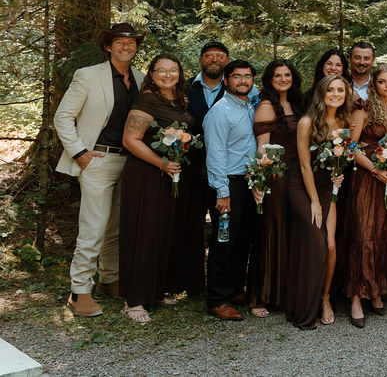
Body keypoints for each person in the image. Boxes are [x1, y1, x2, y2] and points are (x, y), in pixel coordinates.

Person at [54, 23, 144, 317]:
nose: (126, 46)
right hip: (98, 159)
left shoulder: (142, 79)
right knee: (93, 225)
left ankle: (109, 278)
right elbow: (63, 117)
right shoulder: (88, 76)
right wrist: (80, 153)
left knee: (117, 224)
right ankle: (79, 291)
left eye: (131, 42)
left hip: (130, 161)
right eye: (120, 42)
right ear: (109, 46)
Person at [118, 54, 195, 323]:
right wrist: (161, 163)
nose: (167, 75)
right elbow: (130, 140)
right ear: (151, 74)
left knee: (164, 232)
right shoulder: (147, 99)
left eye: (173, 70)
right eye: (161, 71)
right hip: (147, 174)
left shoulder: (179, 98)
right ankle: (134, 300)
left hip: (169, 176)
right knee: (145, 233)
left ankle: (156, 289)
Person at [340, 64, 387, 326]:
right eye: (382, 81)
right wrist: (374, 169)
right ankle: (356, 297)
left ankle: (378, 289)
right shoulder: (364, 109)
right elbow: (350, 145)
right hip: (366, 177)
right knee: (363, 233)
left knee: (385, 232)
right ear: (374, 84)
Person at [286, 74, 350, 329]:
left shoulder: (343, 122)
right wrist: (314, 200)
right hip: (303, 187)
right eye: (331, 90)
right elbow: (303, 164)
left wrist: (339, 173)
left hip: (329, 188)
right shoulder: (307, 121)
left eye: (341, 90)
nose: (336, 94)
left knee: (331, 246)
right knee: (316, 243)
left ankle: (325, 298)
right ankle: (303, 304)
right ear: (322, 93)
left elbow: (341, 158)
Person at [248, 60, 305, 318]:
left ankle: (285, 292)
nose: (283, 79)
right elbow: (262, 149)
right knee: (271, 231)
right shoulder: (266, 106)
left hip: (299, 175)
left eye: (287, 74)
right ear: (269, 79)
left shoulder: (298, 103)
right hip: (276, 178)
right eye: (278, 75)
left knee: (293, 231)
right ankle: (260, 296)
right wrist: (259, 182)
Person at [204, 60, 260, 321]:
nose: (242, 81)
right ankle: (217, 299)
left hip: (248, 183)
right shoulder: (220, 112)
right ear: (226, 81)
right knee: (223, 241)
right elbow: (215, 155)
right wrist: (221, 192)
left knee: (242, 240)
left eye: (247, 76)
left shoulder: (250, 105)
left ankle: (236, 290)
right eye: (237, 77)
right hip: (228, 184)